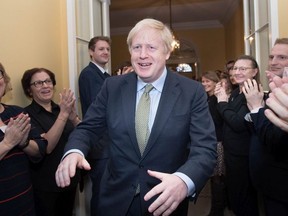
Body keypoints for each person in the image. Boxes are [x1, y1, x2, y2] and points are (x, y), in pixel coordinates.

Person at [56, 18, 217, 216]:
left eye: (151, 47)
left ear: (167, 52)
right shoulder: (112, 87)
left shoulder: (191, 91)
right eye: (137, 47)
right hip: (113, 200)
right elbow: (88, 128)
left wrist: (184, 180)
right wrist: (74, 151)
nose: (142, 55)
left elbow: (205, 148)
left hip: (164, 201)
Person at [21, 68, 81, 216]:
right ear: (29, 90)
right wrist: (64, 115)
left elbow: (83, 135)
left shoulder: (61, 108)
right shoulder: (26, 115)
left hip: (70, 181)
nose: (45, 86)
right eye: (38, 83)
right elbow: (46, 147)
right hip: (46, 186)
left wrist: (73, 118)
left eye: (48, 81)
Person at [214, 55, 260, 216]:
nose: (237, 72)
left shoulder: (254, 93)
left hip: (244, 155)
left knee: (245, 199)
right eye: (235, 68)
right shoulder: (235, 93)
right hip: (231, 153)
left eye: (243, 69)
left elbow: (238, 123)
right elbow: (224, 120)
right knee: (235, 196)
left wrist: (222, 102)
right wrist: (222, 100)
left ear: (254, 72)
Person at [0, 62, 47, 215]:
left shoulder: (16, 113)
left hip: (24, 201)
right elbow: (9, 142)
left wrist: (24, 142)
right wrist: (8, 143)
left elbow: (40, 150)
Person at [78, 36, 111, 216]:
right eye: (101, 49)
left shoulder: (106, 75)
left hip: (109, 143)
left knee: (108, 192)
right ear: (91, 52)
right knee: (100, 193)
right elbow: (98, 108)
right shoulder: (89, 74)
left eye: (107, 49)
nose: (105, 52)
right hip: (100, 144)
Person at [202, 71, 227, 216]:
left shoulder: (217, 99)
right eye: (203, 81)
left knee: (218, 178)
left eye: (208, 81)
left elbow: (218, 121)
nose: (205, 84)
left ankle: (217, 211)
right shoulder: (208, 98)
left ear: (215, 82)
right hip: (211, 141)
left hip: (218, 142)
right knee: (214, 177)